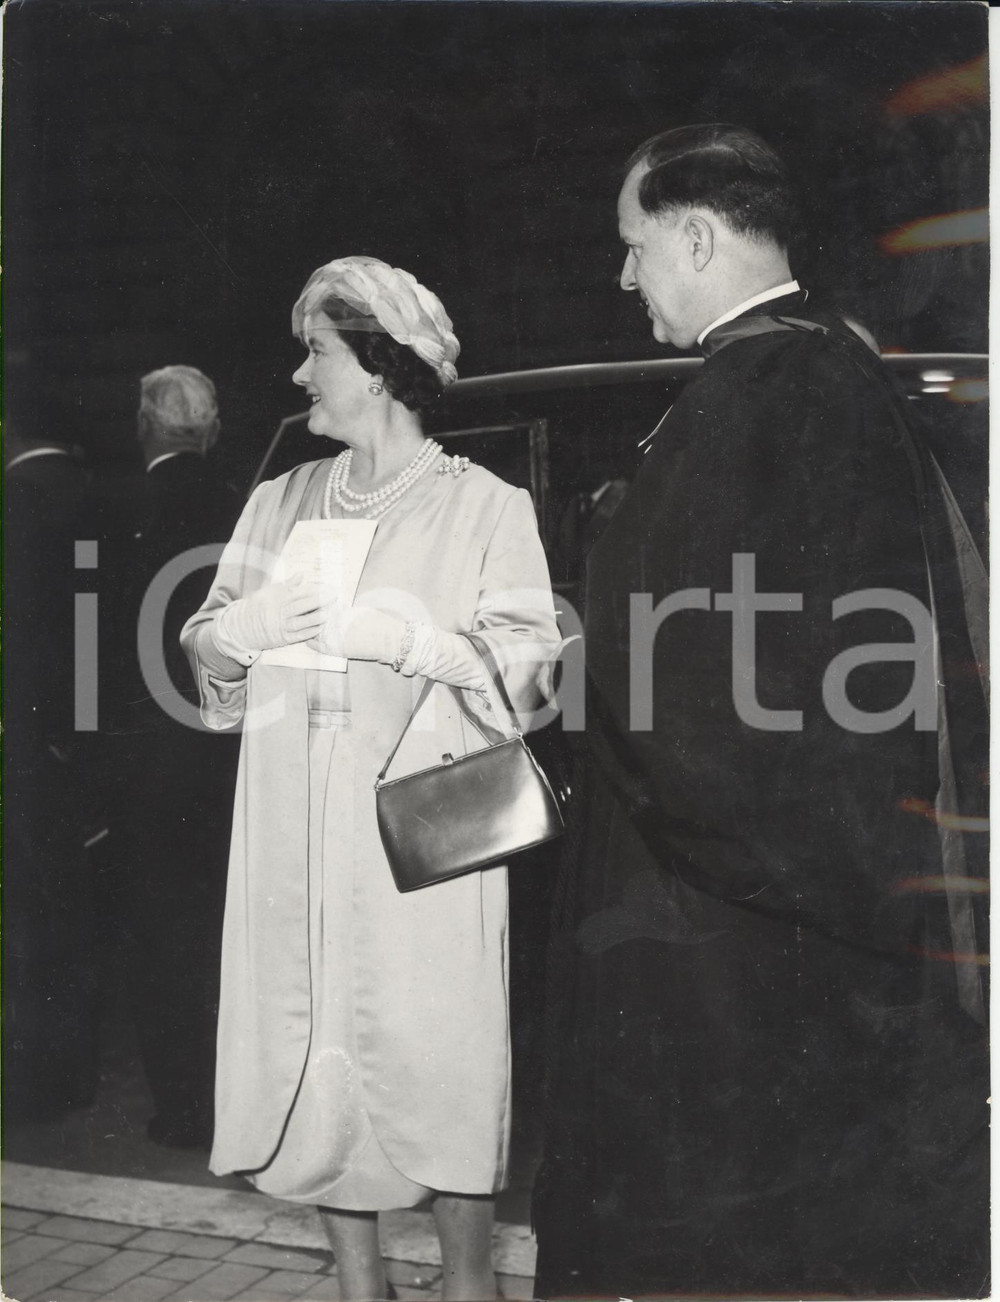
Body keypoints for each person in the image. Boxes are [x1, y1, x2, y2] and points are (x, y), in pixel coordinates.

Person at [532, 125, 988, 1299]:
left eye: (635, 247)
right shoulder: (824, 371)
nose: (624, 276)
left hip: (722, 930)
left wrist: (581, 658)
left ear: (695, 236)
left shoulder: (761, 388)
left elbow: (691, 680)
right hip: (792, 904)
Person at [181, 256, 560, 1301]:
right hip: (292, 823)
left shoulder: (484, 505)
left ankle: (470, 1282)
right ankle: (359, 1286)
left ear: (382, 367)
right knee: (317, 1044)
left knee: (438, 1047)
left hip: (421, 832)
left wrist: (431, 646)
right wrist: (233, 633)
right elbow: (204, 657)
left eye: (318, 353)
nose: (301, 377)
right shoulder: (279, 500)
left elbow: (533, 670)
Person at [105, 365, 241, 1147]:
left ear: (147, 424)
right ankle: (236, 1101)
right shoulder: (243, 505)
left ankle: (185, 1109)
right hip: (230, 751)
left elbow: (97, 648)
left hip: (147, 761)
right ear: (212, 429)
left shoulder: (122, 507)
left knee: (161, 936)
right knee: (227, 926)